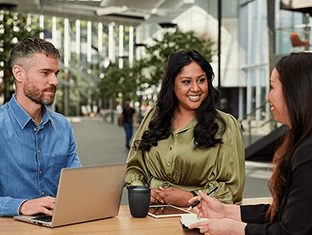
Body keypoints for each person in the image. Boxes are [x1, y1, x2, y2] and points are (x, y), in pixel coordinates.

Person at [188, 52, 312, 235]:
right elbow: (285, 215)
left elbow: (291, 231)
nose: (268, 97)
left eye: (272, 87)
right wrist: (225, 211)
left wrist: (232, 229)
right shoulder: (301, 144)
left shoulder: (307, 153)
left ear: (295, 92)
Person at [124, 49, 245, 207]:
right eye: (186, 81)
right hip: (152, 215)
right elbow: (134, 166)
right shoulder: (154, 117)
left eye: (201, 80)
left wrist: (191, 197)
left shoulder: (225, 126)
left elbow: (232, 189)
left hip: (200, 218)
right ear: (172, 85)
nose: (196, 88)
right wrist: (142, 190)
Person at [0, 38, 81, 217]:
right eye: (45, 73)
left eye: (56, 73)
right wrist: (21, 206)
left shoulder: (63, 126)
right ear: (19, 74)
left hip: (57, 225)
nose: (55, 81)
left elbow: (76, 186)